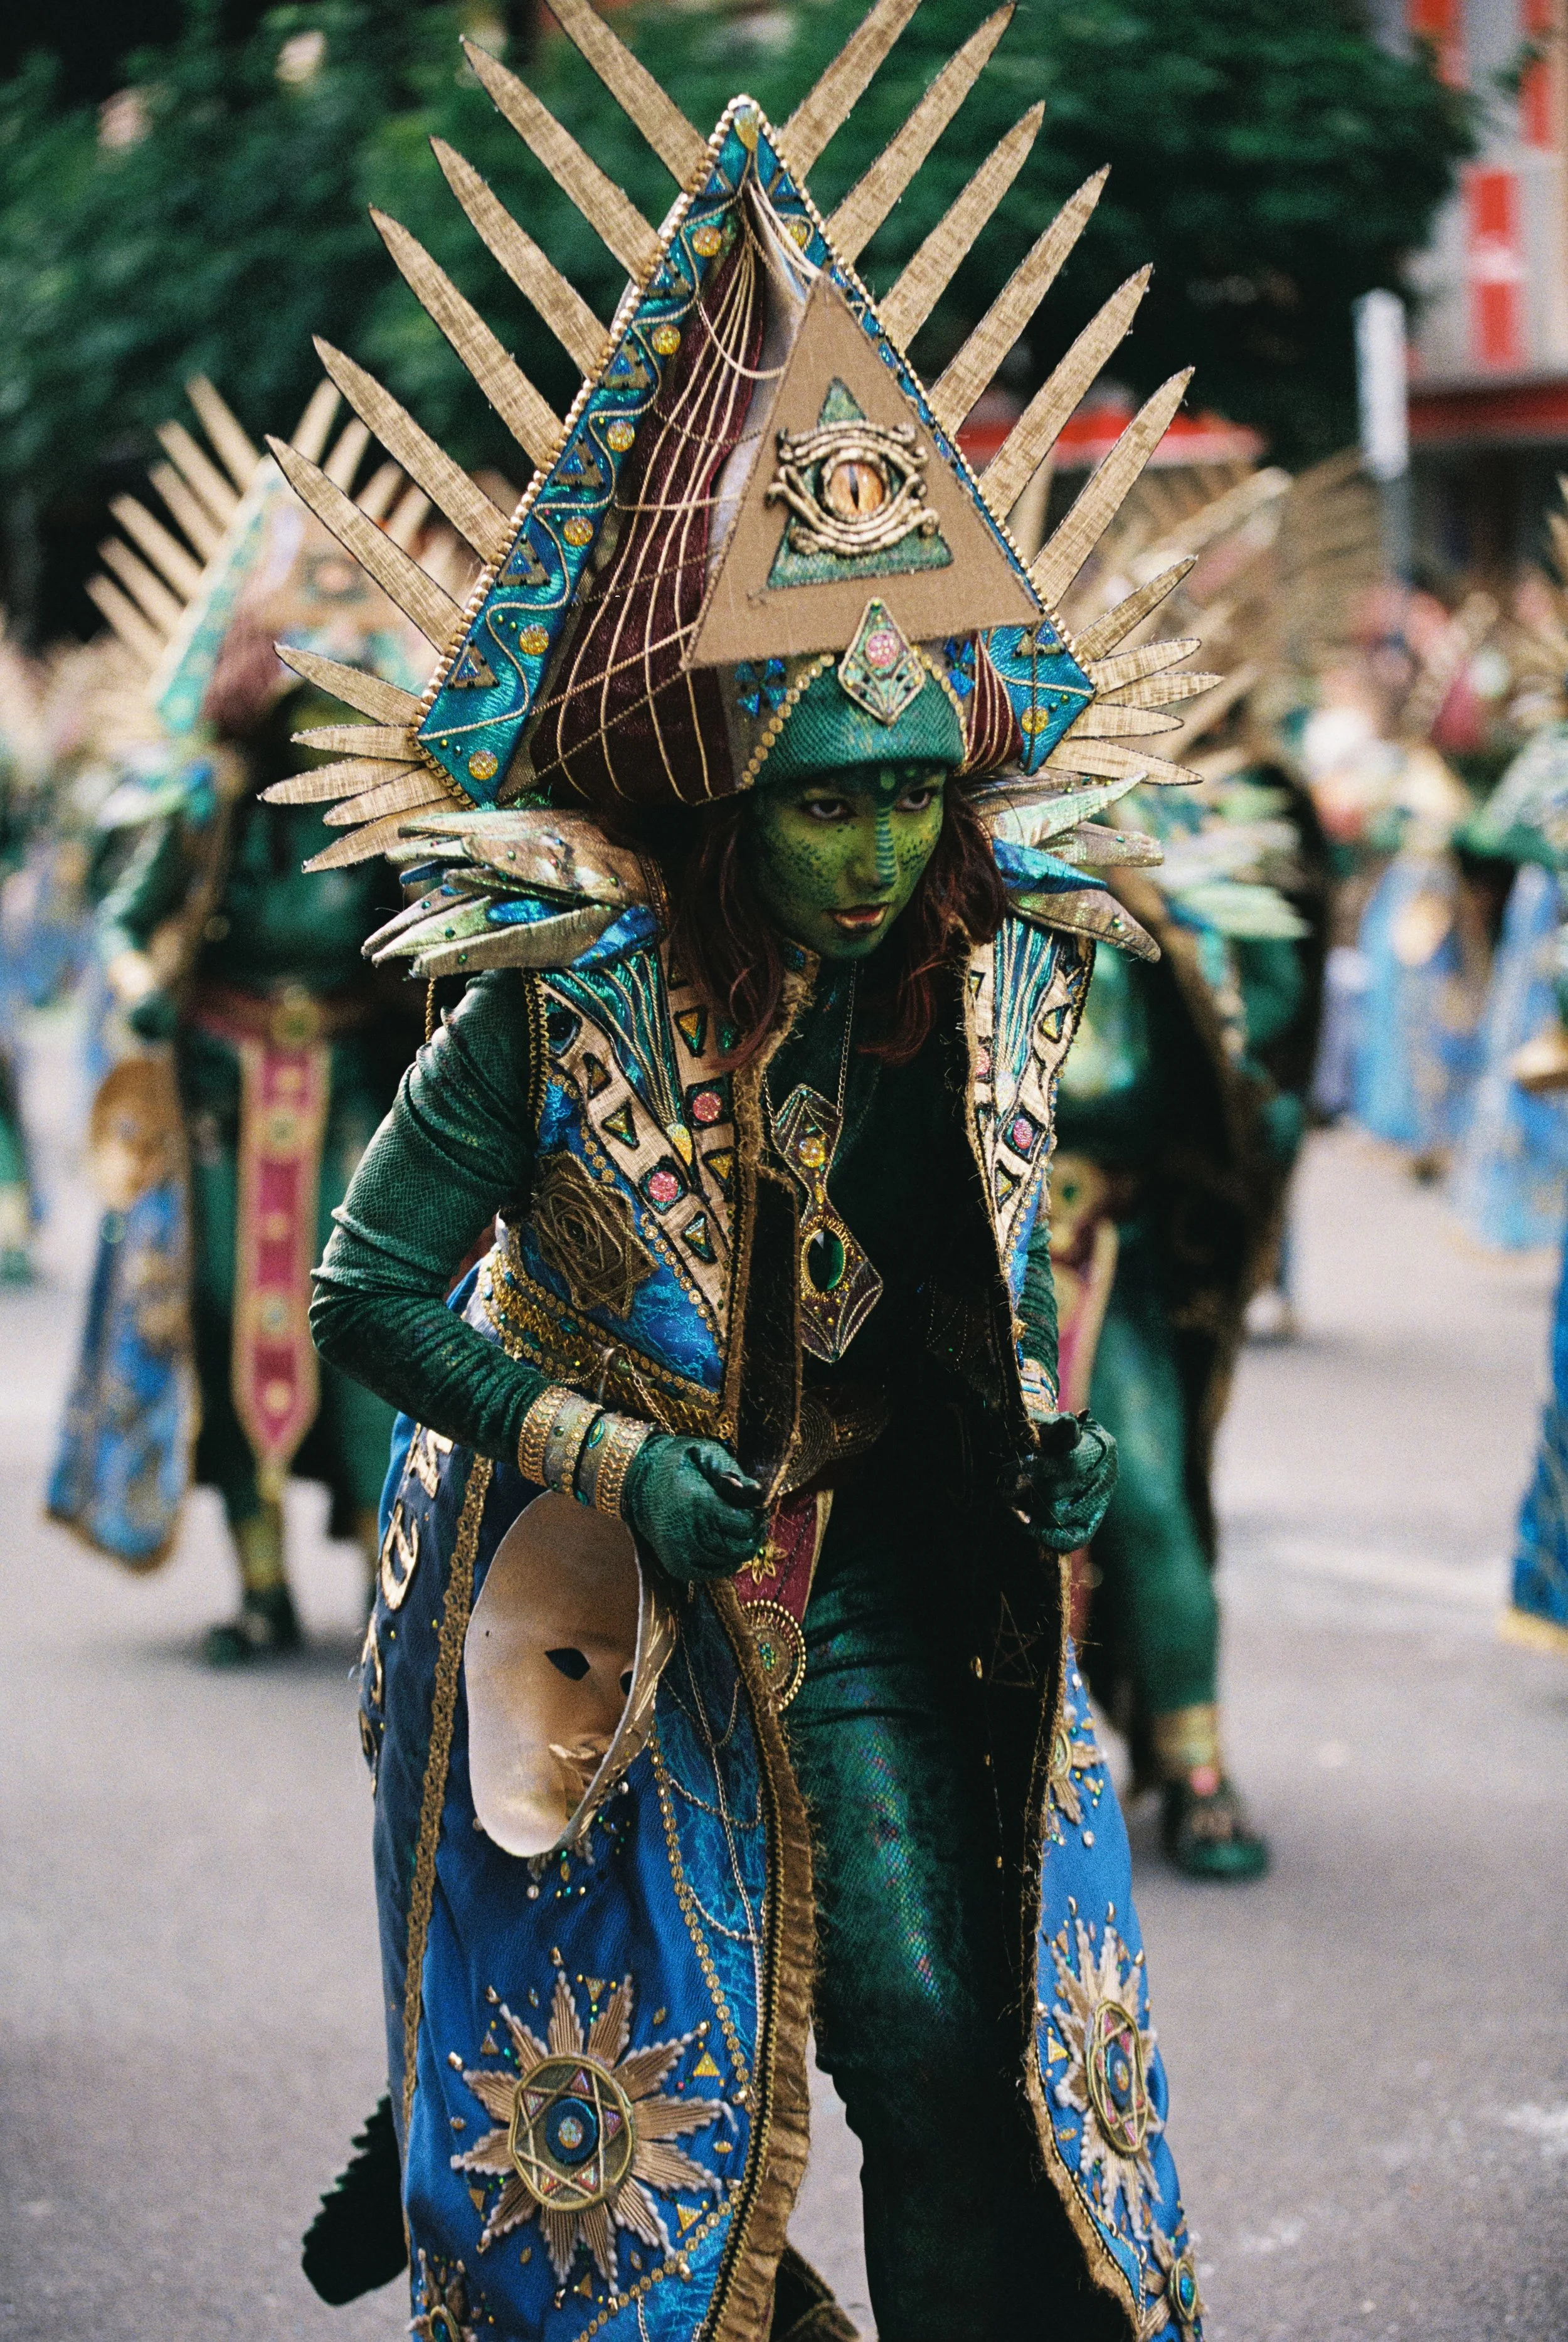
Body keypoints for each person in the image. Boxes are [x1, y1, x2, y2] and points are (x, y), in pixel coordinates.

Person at [288, 6, 1209, 2333]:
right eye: (829, 794)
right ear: (719, 783)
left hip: (876, 1551)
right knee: (619, 2144)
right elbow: (367, 1299)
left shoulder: (997, 972)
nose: (885, 843)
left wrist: (1053, 1444)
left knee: (929, 2033)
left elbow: (972, 1276)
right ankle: (442, 2082)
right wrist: (610, 1444)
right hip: (591, 1578)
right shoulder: (556, 991)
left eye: (917, 790)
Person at [48, 378, 437, 1657]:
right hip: (221, 1090)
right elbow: (124, 917)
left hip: (350, 1089)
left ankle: (399, 1588)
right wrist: (147, 987)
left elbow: (436, 938)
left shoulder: (382, 824)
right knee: (224, 1318)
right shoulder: (209, 807)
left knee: (371, 1328)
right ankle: (260, 1582)